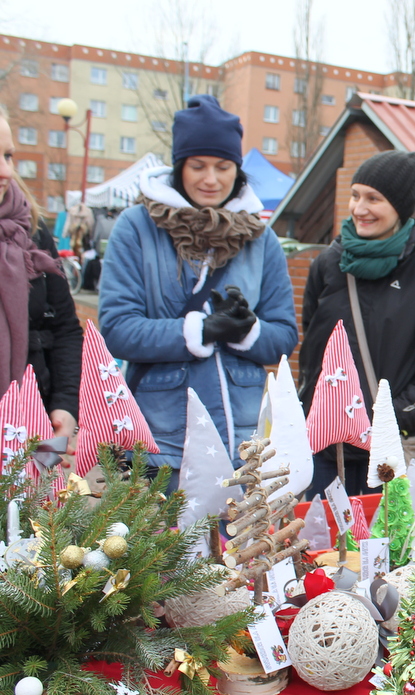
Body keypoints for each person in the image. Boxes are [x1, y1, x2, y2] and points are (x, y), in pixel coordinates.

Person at [99, 95, 298, 483]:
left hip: (244, 443)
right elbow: (118, 328)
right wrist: (200, 331)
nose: (211, 179)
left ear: (238, 171)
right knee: (166, 543)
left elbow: (285, 336)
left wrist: (247, 329)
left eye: (223, 167)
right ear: (178, 168)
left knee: (240, 544)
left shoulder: (261, 239)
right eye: (198, 166)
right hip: (160, 441)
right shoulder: (137, 228)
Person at [299, 150, 415, 497]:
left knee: (381, 551)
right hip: (323, 451)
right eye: (356, 195)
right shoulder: (328, 265)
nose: (360, 208)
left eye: (374, 198)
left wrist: (391, 417)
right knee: (319, 547)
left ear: (401, 207)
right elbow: (313, 349)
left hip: (386, 453)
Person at [0, 114, 82, 450]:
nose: (6, 172)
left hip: (33, 431)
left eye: (7, 156)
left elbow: (65, 328)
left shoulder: (30, 228)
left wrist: (64, 405)